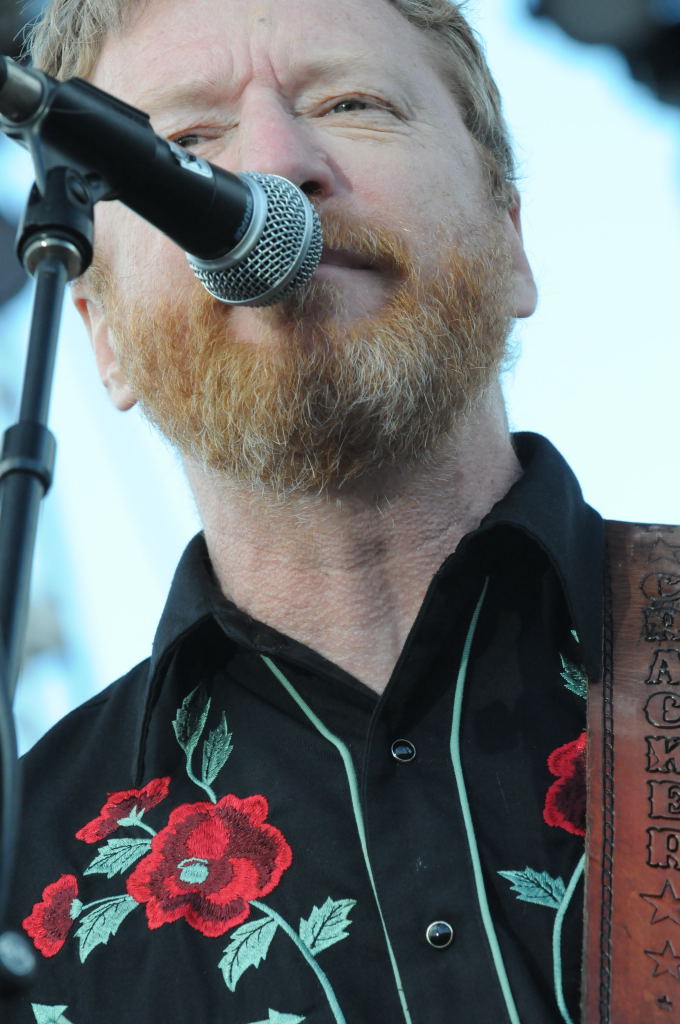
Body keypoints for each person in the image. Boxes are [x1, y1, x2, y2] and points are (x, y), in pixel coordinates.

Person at [4, 0, 600, 1021]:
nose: (274, 165)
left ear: (511, 244)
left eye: (351, 103)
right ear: (102, 335)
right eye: (183, 141)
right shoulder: (21, 886)